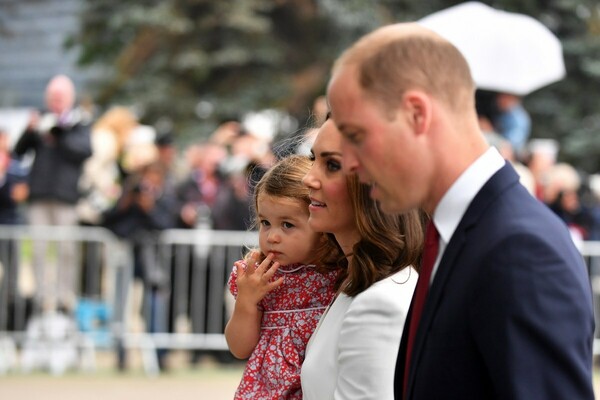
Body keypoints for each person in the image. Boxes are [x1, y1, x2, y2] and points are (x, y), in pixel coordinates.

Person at [326, 22, 595, 399]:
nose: (350, 162)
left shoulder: (518, 250)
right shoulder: (460, 234)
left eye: (356, 136)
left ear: (417, 114)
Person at [300, 118, 423, 400]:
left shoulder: (381, 302)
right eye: (313, 159)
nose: (308, 178)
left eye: (331, 165)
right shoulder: (355, 283)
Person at [224, 154, 341, 399]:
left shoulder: (340, 271)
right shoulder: (256, 275)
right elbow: (239, 347)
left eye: (287, 225)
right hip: (268, 392)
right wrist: (247, 302)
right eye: (265, 222)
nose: (272, 236)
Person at [13, 74, 93, 314]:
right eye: (53, 97)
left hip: (65, 197)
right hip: (39, 195)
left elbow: (85, 151)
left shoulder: (79, 122)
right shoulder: (40, 119)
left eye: (60, 97)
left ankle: (63, 299)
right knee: (38, 248)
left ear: (69, 98)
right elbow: (19, 151)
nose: (56, 101)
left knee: (66, 249)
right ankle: (40, 297)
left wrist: (61, 135)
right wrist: (31, 130)